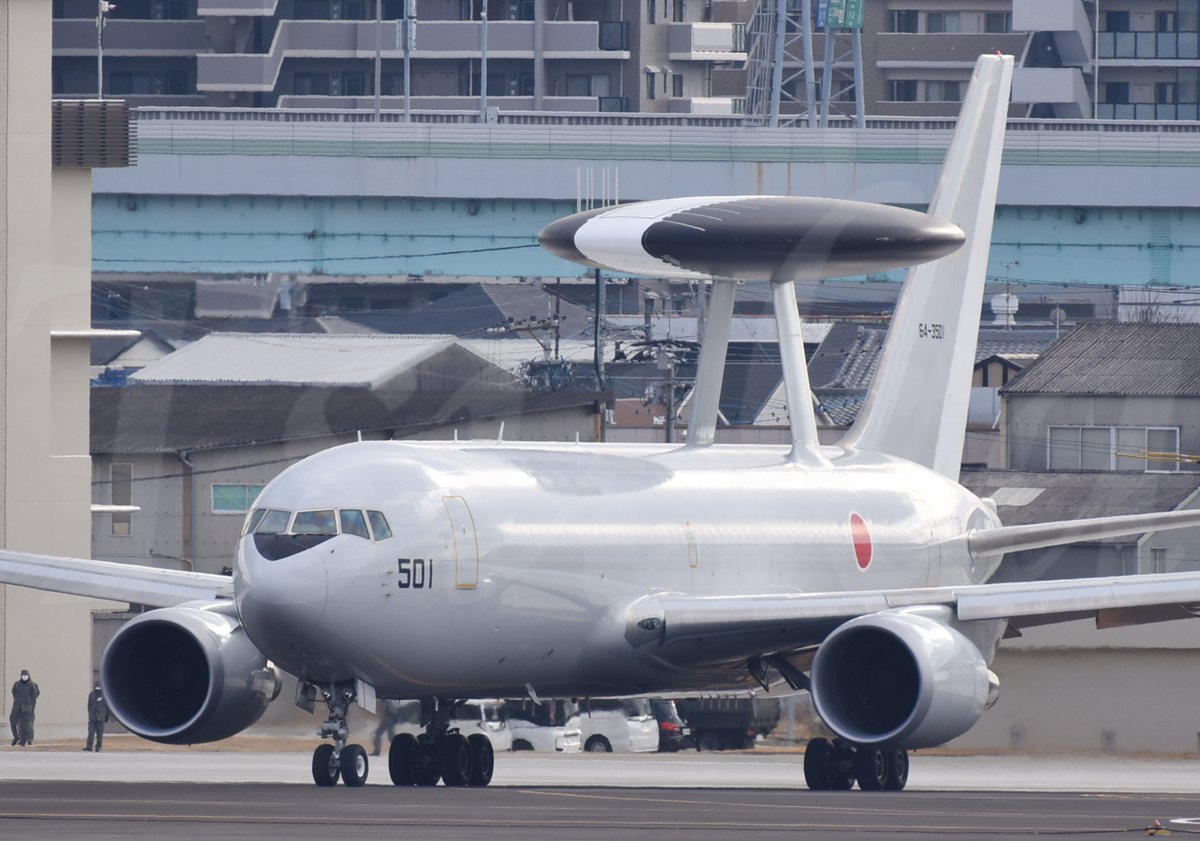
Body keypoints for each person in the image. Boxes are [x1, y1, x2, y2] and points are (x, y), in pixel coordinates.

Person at [10, 669, 38, 747]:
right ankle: (16, 737)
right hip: (16, 707)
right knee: (13, 722)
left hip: (26, 708)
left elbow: (34, 697)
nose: (24, 677)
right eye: (23, 675)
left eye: (25, 675)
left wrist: (30, 706)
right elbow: (13, 693)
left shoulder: (32, 685)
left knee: (25, 725)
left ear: (28, 676)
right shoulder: (17, 684)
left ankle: (24, 740)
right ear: (20, 676)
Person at [84, 683, 109, 752]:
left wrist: (106, 717)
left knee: (98, 734)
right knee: (92, 733)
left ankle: (96, 747)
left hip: (99, 718)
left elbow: (106, 708)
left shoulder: (103, 695)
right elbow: (89, 706)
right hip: (94, 718)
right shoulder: (92, 695)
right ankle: (91, 747)